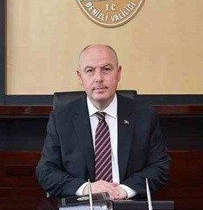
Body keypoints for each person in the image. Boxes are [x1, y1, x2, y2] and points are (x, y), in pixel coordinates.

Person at [36, 44, 170, 200]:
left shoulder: (144, 116)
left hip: (129, 206)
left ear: (118, 73)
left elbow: (160, 166)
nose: (98, 78)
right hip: (80, 207)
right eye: (90, 70)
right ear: (80, 76)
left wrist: (125, 190)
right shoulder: (61, 118)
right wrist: (87, 188)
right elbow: (46, 171)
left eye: (106, 69)